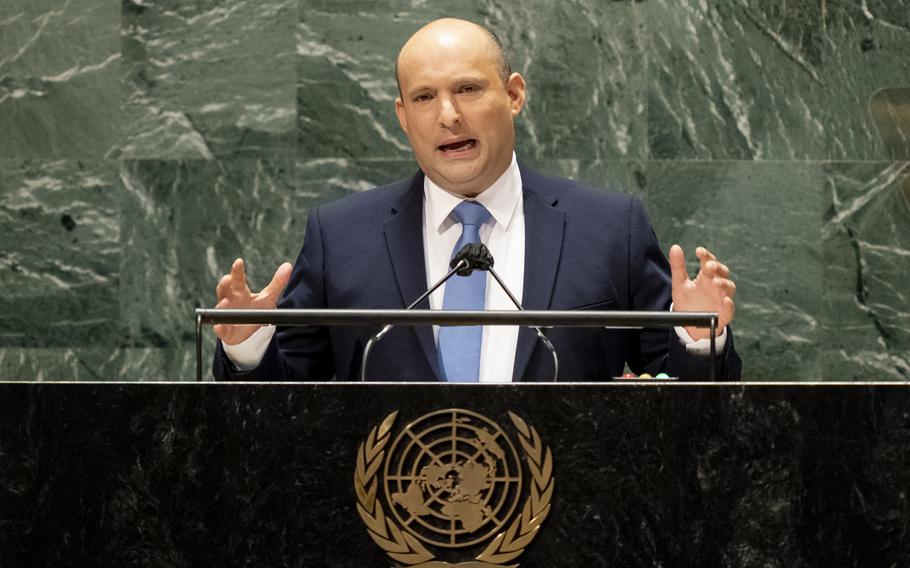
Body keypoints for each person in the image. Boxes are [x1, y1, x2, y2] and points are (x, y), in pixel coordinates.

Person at [212, 18, 741, 382]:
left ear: (513, 95)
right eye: (424, 97)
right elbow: (279, 408)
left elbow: (689, 406)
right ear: (402, 117)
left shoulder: (608, 229)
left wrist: (698, 341)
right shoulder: (341, 237)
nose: (447, 115)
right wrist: (246, 348)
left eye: (467, 89)